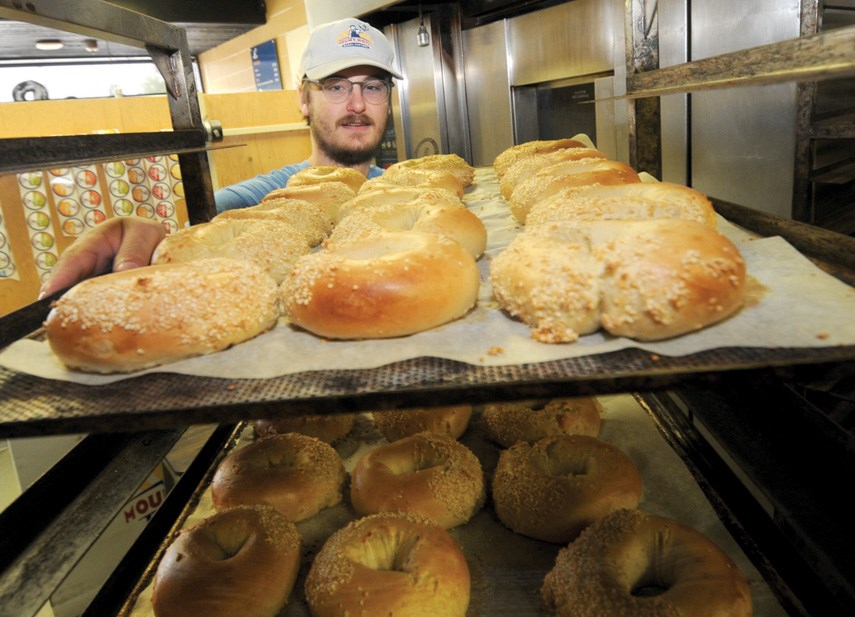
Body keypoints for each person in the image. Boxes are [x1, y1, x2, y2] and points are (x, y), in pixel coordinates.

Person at [38, 17, 402, 299]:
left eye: (373, 86)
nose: (357, 104)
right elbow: (197, 233)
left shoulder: (406, 192)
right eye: (336, 86)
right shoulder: (263, 200)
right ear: (303, 99)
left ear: (387, 99)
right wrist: (142, 244)